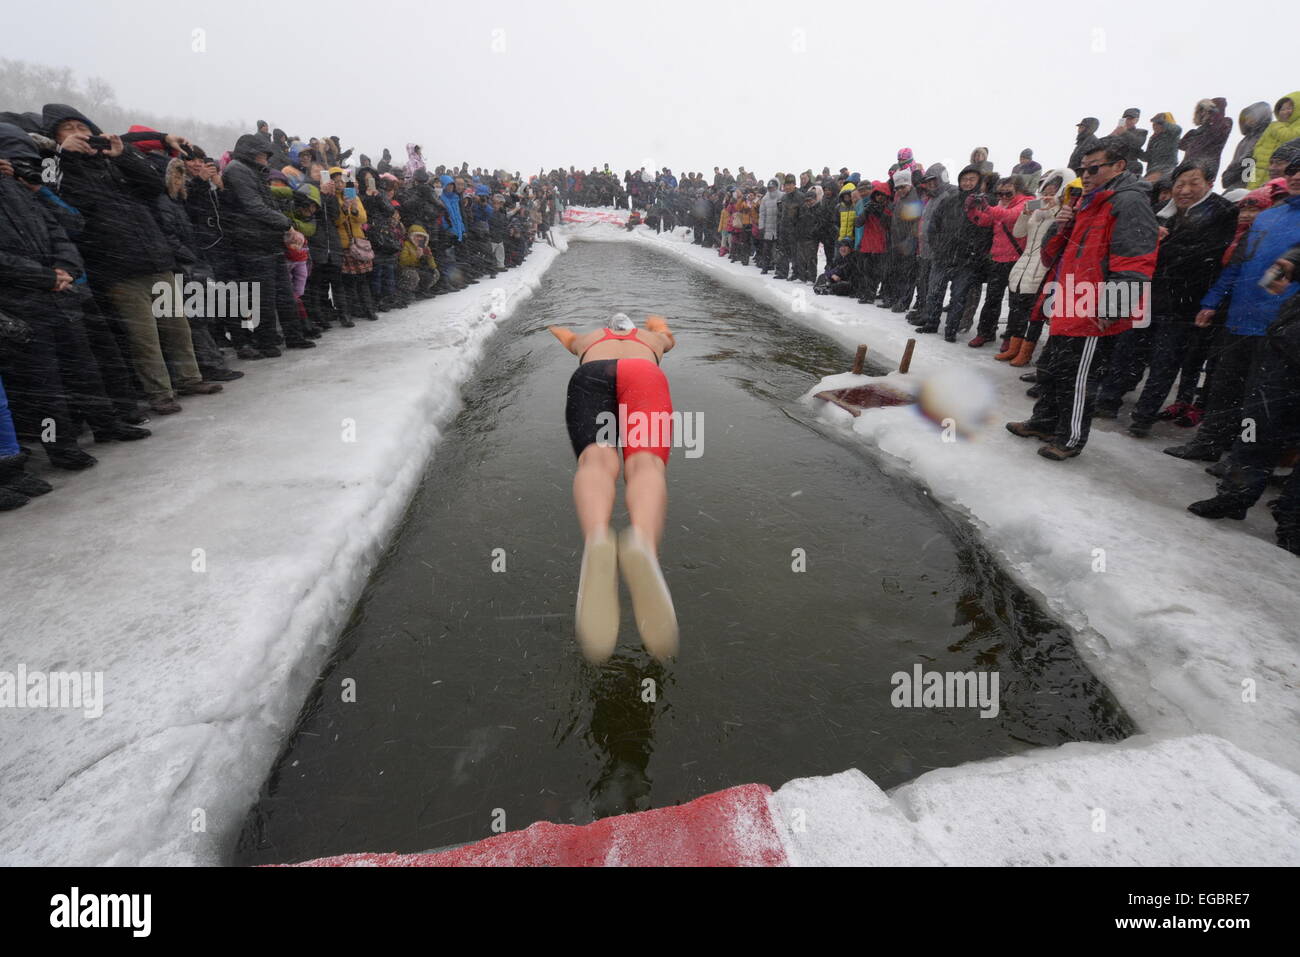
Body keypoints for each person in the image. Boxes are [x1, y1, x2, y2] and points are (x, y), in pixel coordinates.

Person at [1005, 136, 1159, 459]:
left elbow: (1135, 259)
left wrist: (1114, 306)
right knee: (1051, 369)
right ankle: (1044, 420)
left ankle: (1070, 438)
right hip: (1068, 300)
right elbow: (1051, 255)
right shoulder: (1085, 203)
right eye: (1082, 169)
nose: (1086, 175)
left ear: (1119, 166)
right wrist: (1061, 225)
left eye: (1093, 168)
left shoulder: (1128, 203)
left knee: (1077, 377)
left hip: (1093, 308)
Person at [547, 312, 679, 663]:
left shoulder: (588, 339)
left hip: (590, 375)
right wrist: (657, 326)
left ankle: (596, 538)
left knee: (596, 458)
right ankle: (643, 542)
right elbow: (668, 336)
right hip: (645, 376)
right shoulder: (652, 341)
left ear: (606, 329)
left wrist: (556, 328)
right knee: (645, 463)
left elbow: (566, 337)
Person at [1250, 92, 1300, 187]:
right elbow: (1255, 151)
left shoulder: (1275, 126)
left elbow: (1290, 137)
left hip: (1278, 178)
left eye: (1289, 108)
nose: (1285, 112)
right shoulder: (1271, 127)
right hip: (1257, 177)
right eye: (1282, 109)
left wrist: (1277, 125)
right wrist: (1246, 179)